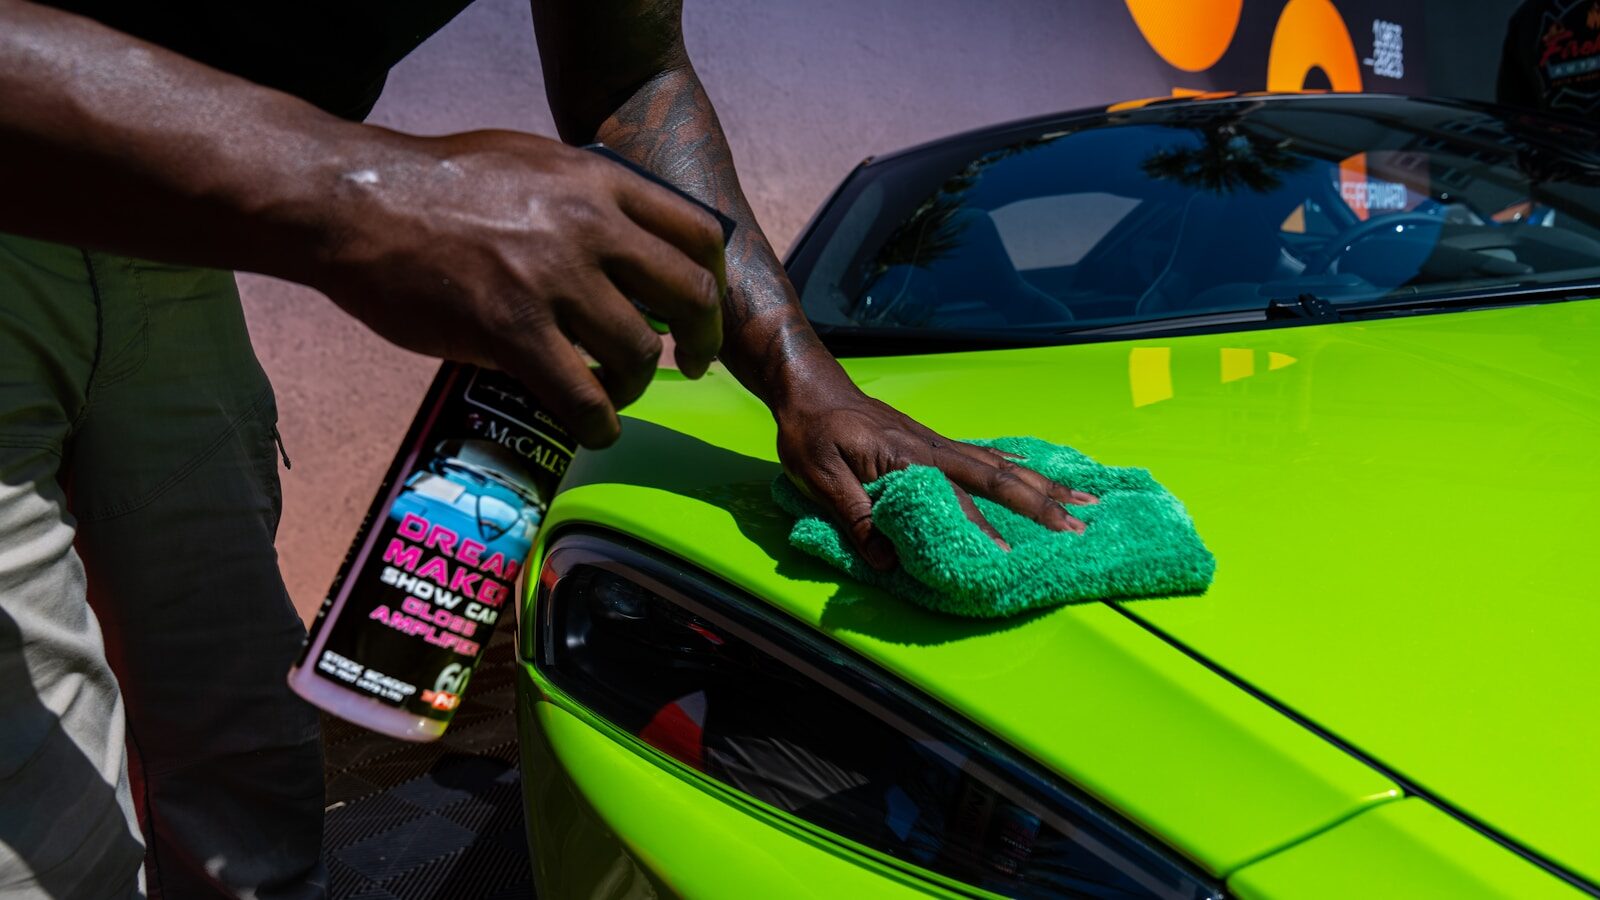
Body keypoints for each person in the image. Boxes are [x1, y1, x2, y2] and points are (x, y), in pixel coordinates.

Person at [0, 0, 1097, 895]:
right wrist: (360, 189)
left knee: (248, 767)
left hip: (170, 241)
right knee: (46, 840)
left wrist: (804, 379)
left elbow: (632, 76)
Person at [1498, 0, 1600, 116]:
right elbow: (1511, 110)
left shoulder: (1526, 15)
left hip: (1554, 129)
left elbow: (1511, 111)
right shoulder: (1526, 17)